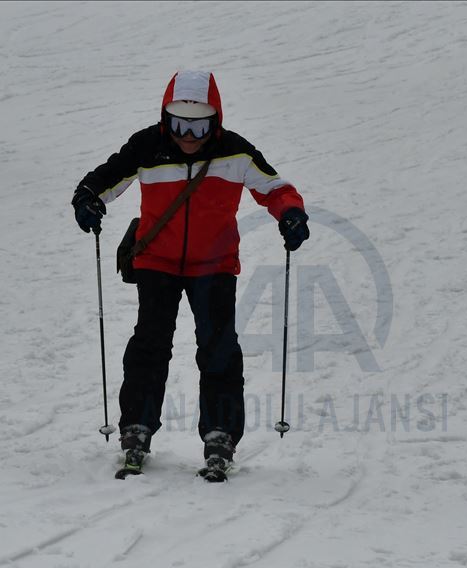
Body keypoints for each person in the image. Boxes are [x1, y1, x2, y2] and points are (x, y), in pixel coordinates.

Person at [72, 70, 309, 477]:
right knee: (150, 343)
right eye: (178, 124)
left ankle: (220, 435)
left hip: (214, 265)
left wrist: (291, 214)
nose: (188, 136)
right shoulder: (147, 146)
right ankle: (136, 428)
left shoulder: (235, 152)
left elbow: (275, 187)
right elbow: (104, 179)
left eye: (198, 126)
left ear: (215, 121)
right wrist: (87, 200)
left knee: (218, 349)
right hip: (156, 263)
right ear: (165, 120)